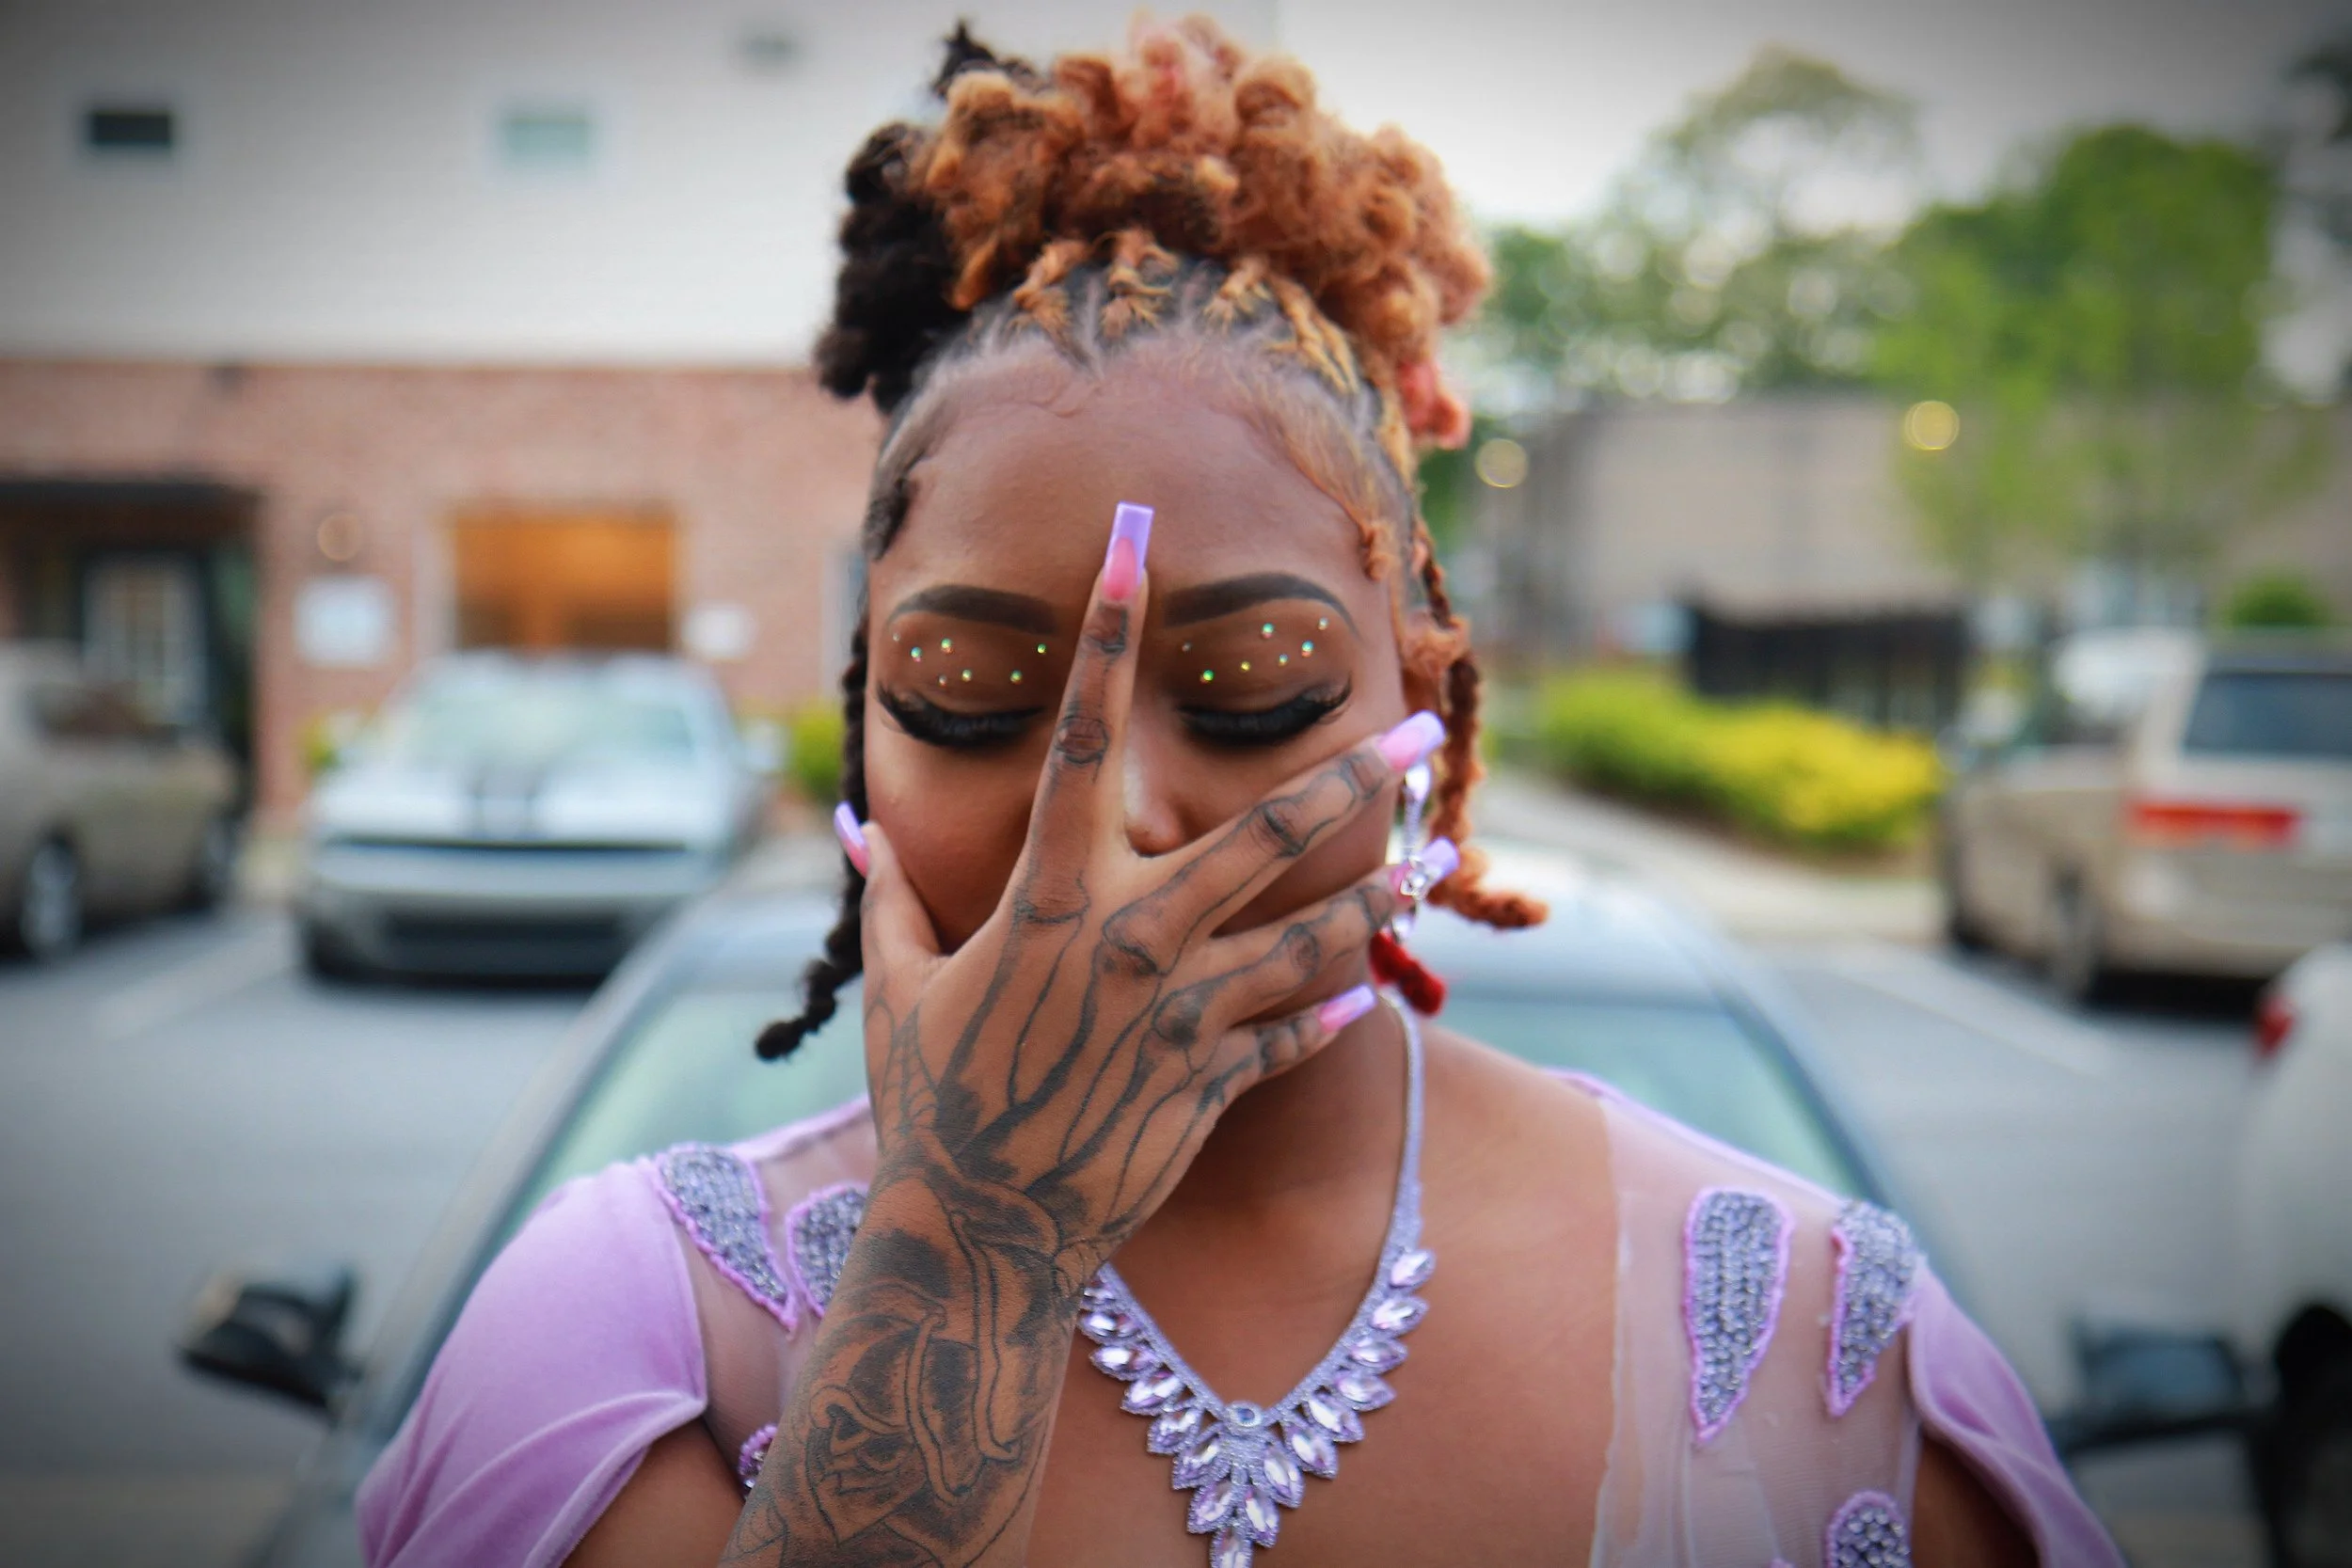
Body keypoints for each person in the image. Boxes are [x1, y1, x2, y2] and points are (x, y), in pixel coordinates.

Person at [358, 22, 2122, 1568]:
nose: (1110, 818)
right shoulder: (622, 1339)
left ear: (1424, 690)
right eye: (968, 694)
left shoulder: (1823, 1344)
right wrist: (971, 1252)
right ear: (860, 724)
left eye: (1259, 682)